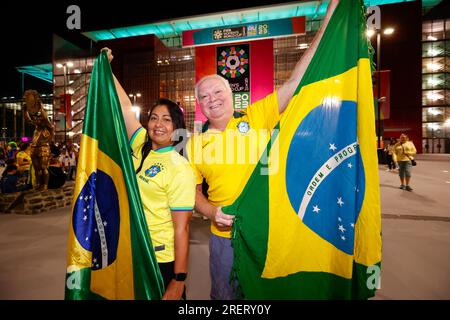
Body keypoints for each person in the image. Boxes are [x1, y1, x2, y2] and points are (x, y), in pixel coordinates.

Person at [186, 0, 339, 300]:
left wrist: (330, 16)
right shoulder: (193, 143)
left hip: (268, 232)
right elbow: (192, 195)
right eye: (204, 96)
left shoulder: (256, 117)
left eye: (218, 91)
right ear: (199, 105)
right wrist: (210, 212)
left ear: (231, 95)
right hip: (224, 241)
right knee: (225, 298)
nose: (212, 99)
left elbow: (296, 81)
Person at [104, 47, 195, 300]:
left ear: (176, 127)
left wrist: (178, 280)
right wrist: (107, 68)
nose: (158, 124)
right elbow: (123, 107)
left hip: (160, 258)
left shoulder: (180, 168)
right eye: (154, 117)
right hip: (132, 249)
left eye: (166, 120)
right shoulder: (141, 143)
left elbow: (182, 230)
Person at [23, 90, 54, 191]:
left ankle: (45, 184)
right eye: (36, 119)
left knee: (43, 167)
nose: (37, 120)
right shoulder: (37, 129)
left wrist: (40, 106)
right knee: (37, 168)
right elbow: (29, 120)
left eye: (39, 118)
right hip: (34, 148)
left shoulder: (47, 126)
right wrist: (25, 111)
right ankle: (38, 183)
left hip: (44, 148)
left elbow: (45, 117)